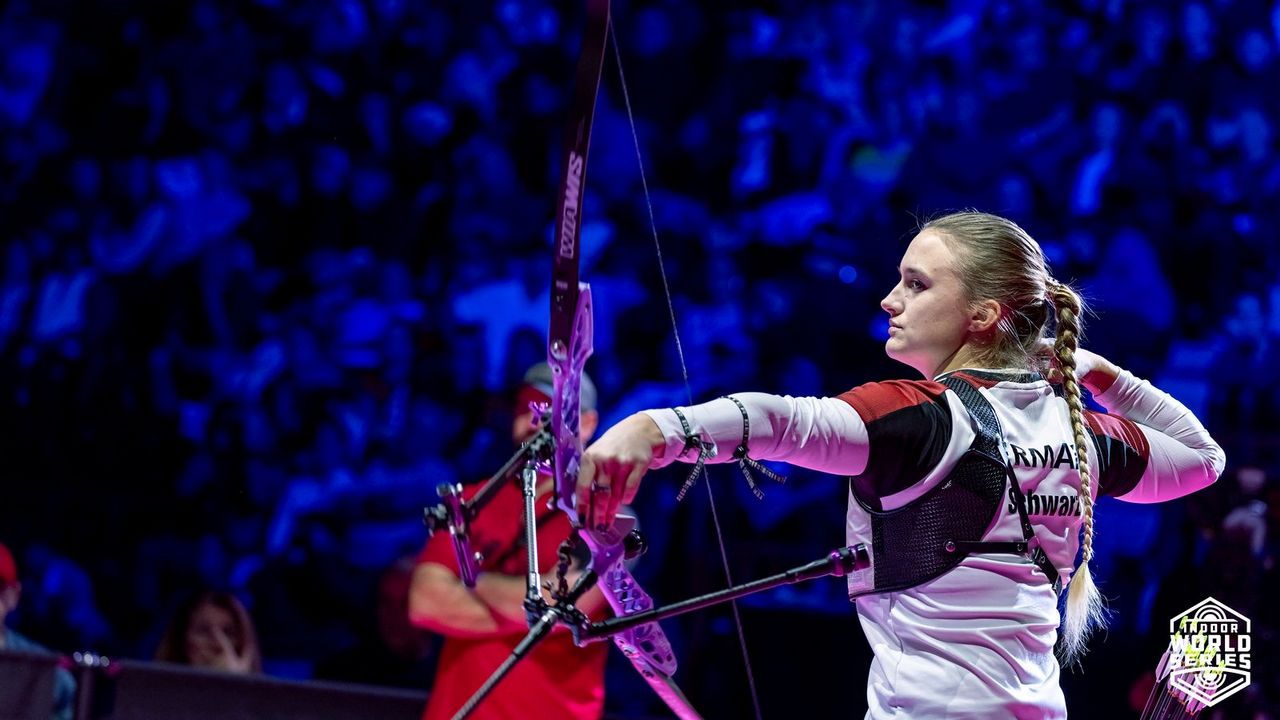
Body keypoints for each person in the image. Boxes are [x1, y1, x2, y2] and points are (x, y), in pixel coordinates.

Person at [576, 211, 1226, 719]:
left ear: (982, 315)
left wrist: (656, 428)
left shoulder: (920, 415)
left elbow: (781, 422)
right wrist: (1101, 375)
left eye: (916, 285)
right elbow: (1203, 459)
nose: (889, 300)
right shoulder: (1078, 434)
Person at [409, 362, 609, 720]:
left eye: (551, 410)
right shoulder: (473, 500)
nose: (535, 422)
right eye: (525, 407)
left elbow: (564, 608)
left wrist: (470, 583)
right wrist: (526, 611)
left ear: (588, 423)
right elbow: (424, 602)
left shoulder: (603, 514)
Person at [155, 590, 262, 674]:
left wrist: (237, 684)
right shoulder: (153, 693)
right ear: (181, 639)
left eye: (228, 633)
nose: (218, 643)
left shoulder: (267, 698)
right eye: (204, 631)